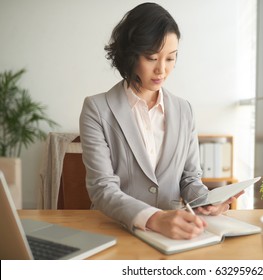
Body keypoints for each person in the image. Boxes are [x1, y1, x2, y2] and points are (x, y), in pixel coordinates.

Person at [79, 2, 236, 240]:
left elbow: (189, 178)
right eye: (152, 57)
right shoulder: (97, 109)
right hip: (115, 231)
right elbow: (102, 189)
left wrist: (207, 202)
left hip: (174, 234)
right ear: (131, 56)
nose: (162, 70)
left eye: (171, 58)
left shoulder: (184, 110)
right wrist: (154, 218)